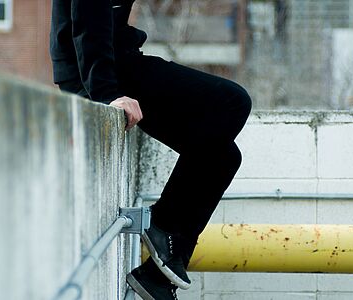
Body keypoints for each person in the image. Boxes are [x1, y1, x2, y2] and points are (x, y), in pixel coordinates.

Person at [50, 0, 251, 299]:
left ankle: (156, 276)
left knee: (223, 157)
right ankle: (164, 224)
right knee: (233, 102)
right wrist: (108, 94)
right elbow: (87, 20)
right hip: (104, 71)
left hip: (117, 61)